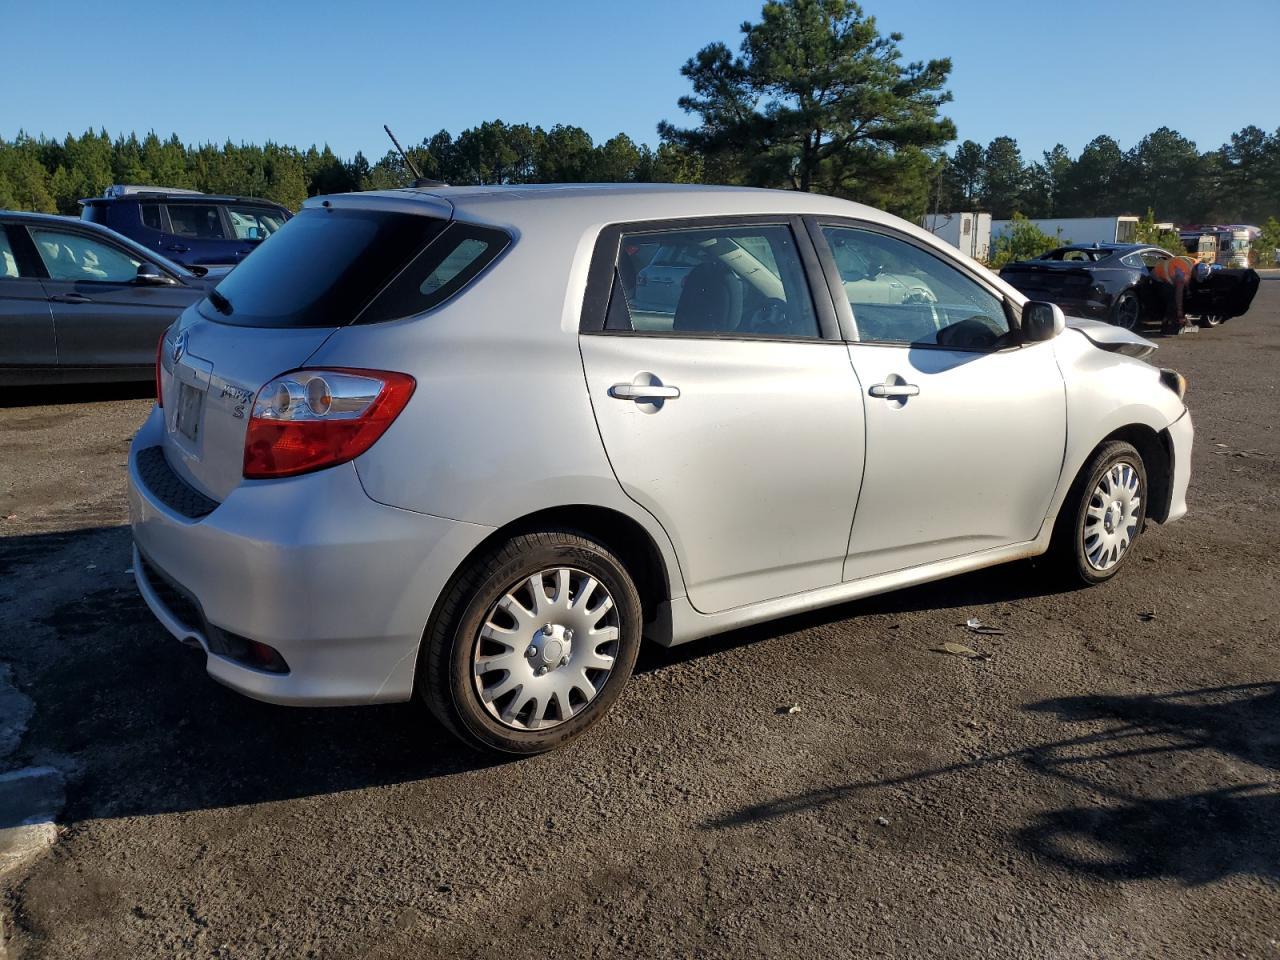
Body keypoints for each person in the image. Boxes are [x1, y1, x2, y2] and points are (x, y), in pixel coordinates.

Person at [1150, 253, 1198, 335]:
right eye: (1197, 277)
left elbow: (1188, 280)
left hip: (1168, 271)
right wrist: (1179, 312)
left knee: (1177, 296)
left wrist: (1188, 290)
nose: (1196, 279)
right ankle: (1167, 324)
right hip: (1157, 276)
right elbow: (1178, 296)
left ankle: (1175, 320)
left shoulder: (1194, 262)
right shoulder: (1181, 275)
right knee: (1172, 300)